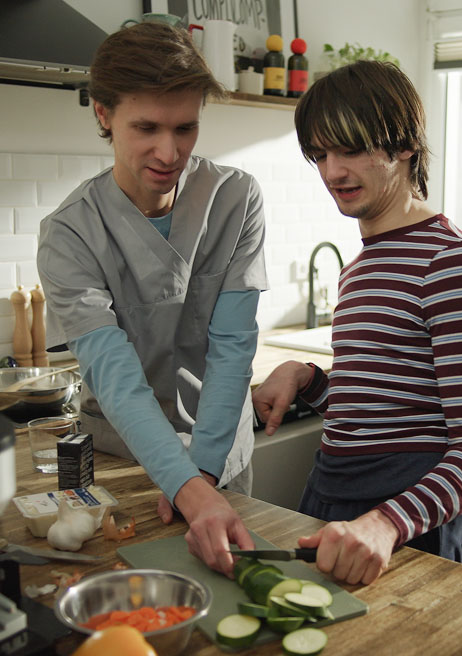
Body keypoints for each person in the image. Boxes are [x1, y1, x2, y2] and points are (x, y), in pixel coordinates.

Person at [252, 60, 462, 586]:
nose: (331, 172)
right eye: (319, 154)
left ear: (405, 144)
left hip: (402, 520)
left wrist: (387, 524)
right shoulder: (361, 266)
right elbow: (374, 409)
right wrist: (307, 377)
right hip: (331, 494)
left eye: (350, 149)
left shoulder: (451, 264)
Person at [37, 22, 268, 577]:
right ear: (102, 113)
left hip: (219, 458)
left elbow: (233, 346)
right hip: (123, 464)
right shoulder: (69, 234)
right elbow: (114, 376)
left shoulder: (235, 197)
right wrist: (182, 484)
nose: (170, 152)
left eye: (185, 128)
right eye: (146, 127)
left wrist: (203, 477)